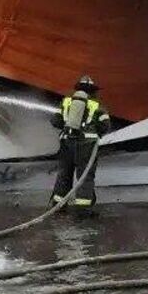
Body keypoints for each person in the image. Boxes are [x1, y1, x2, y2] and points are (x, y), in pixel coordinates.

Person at [50, 75, 111, 214]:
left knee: (64, 174)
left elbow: (55, 121)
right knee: (85, 175)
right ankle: (83, 209)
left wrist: (68, 127)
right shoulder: (96, 104)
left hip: (67, 143)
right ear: (92, 90)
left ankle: (58, 206)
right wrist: (95, 133)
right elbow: (105, 124)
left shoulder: (66, 102)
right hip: (87, 145)